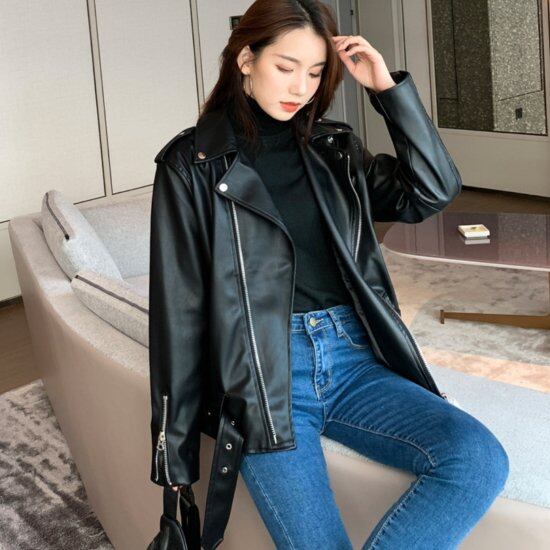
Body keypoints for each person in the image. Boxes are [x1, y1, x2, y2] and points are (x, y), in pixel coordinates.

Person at [148, 1, 509, 548]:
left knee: (477, 459)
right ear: (246, 59)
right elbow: (177, 316)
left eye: (316, 73)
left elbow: (431, 190)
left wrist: (387, 90)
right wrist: (174, 465)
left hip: (355, 359)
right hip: (265, 383)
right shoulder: (190, 164)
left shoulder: (333, 148)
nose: (301, 87)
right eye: (285, 67)